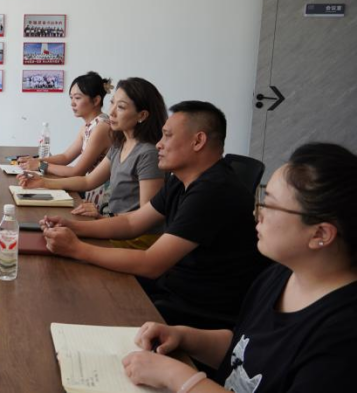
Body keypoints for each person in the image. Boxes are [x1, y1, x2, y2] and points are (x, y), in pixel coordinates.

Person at [122, 143, 357, 393]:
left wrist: (176, 376)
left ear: (320, 234)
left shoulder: (343, 335)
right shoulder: (280, 275)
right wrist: (185, 337)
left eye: (270, 204)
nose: (257, 213)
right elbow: (243, 351)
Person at [39, 101, 268, 328]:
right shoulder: (182, 179)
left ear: (198, 141)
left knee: (86, 302)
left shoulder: (213, 191)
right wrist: (73, 226)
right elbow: (132, 222)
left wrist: (77, 249)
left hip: (200, 309)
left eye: (167, 136)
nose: (159, 144)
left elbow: (151, 263)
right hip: (173, 285)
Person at [20, 77, 166, 249]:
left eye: (120, 107)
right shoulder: (120, 144)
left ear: (142, 115)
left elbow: (145, 219)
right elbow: (88, 181)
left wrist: (103, 217)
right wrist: (44, 182)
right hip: (115, 227)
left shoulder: (148, 154)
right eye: (112, 103)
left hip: (137, 240)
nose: (111, 112)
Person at [19, 72, 113, 208]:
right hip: (92, 192)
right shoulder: (89, 126)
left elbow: (77, 172)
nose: (72, 103)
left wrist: (41, 165)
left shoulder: (101, 127)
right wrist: (36, 161)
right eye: (71, 98)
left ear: (96, 100)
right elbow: (66, 157)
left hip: (103, 199)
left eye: (77, 98)